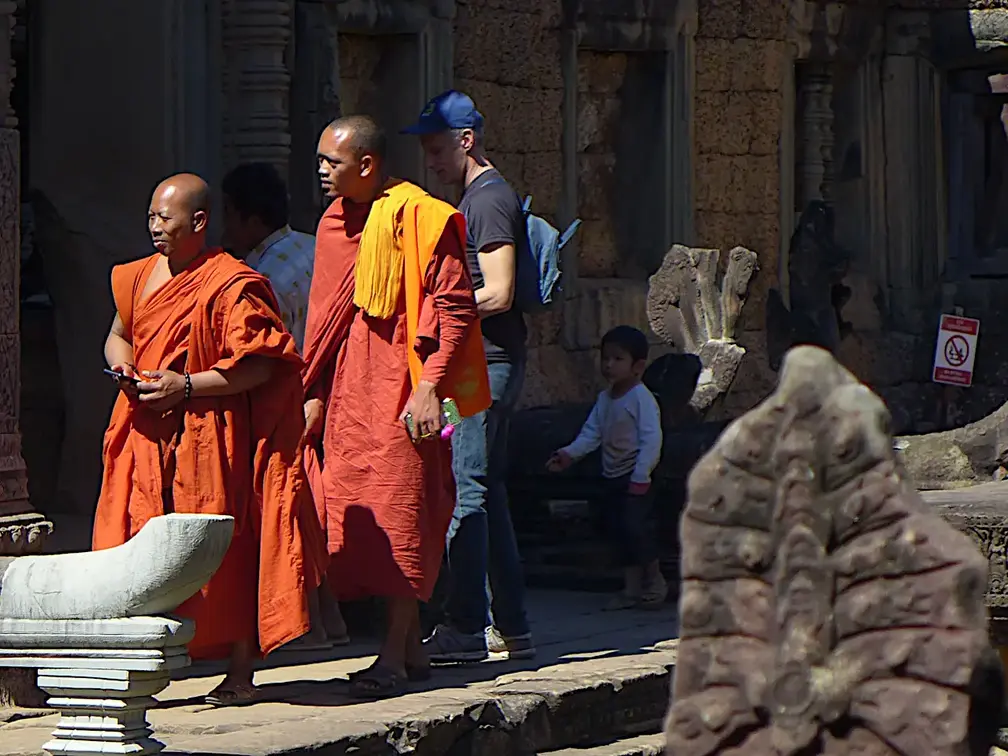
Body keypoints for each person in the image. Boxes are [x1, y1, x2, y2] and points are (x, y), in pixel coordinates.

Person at [94, 173, 329, 706]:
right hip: (143, 425)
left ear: (198, 222)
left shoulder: (230, 282)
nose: (155, 227)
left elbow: (260, 367)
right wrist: (124, 368)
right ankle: (141, 668)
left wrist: (186, 386)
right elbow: (119, 334)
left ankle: (241, 670)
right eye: (152, 216)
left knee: (226, 548)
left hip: (207, 433)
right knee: (134, 542)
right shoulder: (137, 276)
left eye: (166, 218)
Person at [300, 115, 490, 698]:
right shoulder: (335, 222)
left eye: (333, 162)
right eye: (321, 160)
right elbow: (326, 318)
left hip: (414, 393)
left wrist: (431, 388)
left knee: (406, 513)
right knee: (360, 514)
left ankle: (391, 654)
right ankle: (408, 650)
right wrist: (313, 391)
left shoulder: (426, 218)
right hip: (352, 394)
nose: (322, 171)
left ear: (367, 164)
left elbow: (456, 312)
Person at [404, 90, 534, 662]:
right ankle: (513, 626)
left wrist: (436, 313)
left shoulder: (485, 200)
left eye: (437, 150)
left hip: (489, 367)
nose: (430, 161)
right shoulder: (479, 195)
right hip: (488, 364)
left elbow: (499, 292)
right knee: (490, 491)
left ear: (466, 141)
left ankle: (466, 626)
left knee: (468, 489)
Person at [221, 162, 347, 648]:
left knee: (287, 512)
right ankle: (329, 619)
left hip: (285, 401)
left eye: (229, 215)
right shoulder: (317, 248)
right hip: (329, 396)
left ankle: (307, 623)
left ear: (249, 218)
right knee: (310, 508)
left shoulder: (258, 277)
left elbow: (261, 353)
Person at [546, 326, 666, 610]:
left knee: (637, 530)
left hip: (636, 476)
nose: (609, 365)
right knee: (617, 531)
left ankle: (655, 580)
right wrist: (568, 455)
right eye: (606, 358)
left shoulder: (641, 399)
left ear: (637, 366)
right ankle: (631, 588)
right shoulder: (605, 399)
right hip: (611, 476)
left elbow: (651, 439)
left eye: (618, 359)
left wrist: (641, 474)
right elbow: (592, 433)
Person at [221, 162, 315, 352]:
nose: (225, 226)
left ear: (254, 221)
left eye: (228, 215)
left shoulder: (262, 281)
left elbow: (263, 358)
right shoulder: (313, 245)